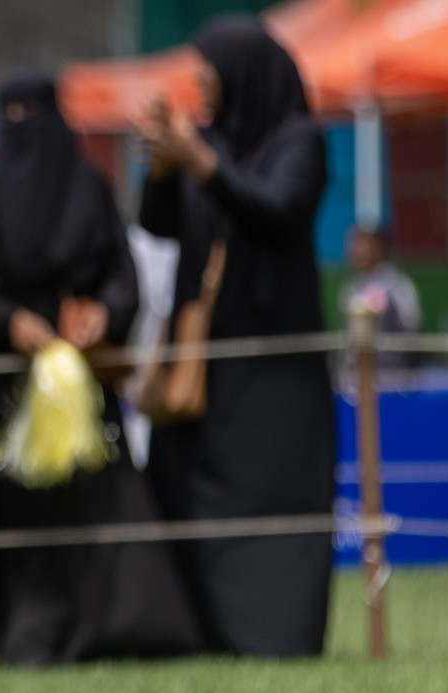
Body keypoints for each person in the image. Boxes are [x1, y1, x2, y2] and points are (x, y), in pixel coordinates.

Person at [0, 72, 203, 664]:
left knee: (100, 503)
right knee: (18, 510)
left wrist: (100, 314)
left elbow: (123, 277)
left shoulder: (90, 188)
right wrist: (7, 320)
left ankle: (117, 630)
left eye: (31, 112)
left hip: (82, 377)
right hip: (6, 383)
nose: (22, 127)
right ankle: (26, 638)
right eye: (9, 113)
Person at [136, 15, 333, 656]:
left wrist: (200, 159)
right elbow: (158, 225)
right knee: (188, 487)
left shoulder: (298, 140)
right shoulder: (211, 140)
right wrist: (166, 167)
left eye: (209, 70)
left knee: (270, 499)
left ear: (243, 72)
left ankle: (276, 636)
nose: (201, 82)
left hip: (274, 368)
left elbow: (277, 210)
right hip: (203, 360)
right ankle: (202, 633)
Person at [342, 226, 421, 366]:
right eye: (355, 245)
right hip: (359, 372)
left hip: (395, 375)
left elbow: (411, 328)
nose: (356, 251)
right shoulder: (352, 288)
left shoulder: (397, 285)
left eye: (363, 244)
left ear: (379, 248)